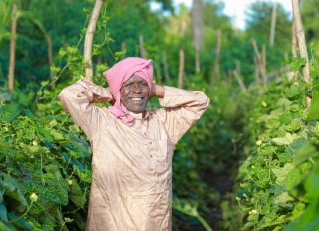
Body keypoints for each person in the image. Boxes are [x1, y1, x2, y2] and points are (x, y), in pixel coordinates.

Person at [58, 57, 209, 231]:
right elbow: (69, 95)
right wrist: (110, 91)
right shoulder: (101, 121)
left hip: (154, 223)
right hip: (111, 223)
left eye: (142, 84)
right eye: (128, 84)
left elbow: (200, 102)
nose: (137, 90)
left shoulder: (164, 122)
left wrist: (155, 89)